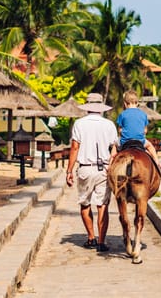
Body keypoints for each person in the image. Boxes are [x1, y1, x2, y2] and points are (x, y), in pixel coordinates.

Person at [65, 93, 118, 252]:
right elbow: (114, 147)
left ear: (87, 107)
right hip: (104, 168)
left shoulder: (79, 124)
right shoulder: (109, 125)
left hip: (85, 168)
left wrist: (69, 170)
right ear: (101, 108)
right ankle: (102, 241)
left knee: (85, 203)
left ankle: (91, 237)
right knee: (102, 205)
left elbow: (75, 147)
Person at [115, 90, 161, 167]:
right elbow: (145, 130)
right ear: (137, 103)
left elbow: (120, 130)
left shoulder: (122, 114)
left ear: (125, 103)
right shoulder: (143, 114)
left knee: (114, 147)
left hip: (125, 142)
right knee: (150, 147)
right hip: (140, 141)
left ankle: (109, 166)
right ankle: (157, 163)